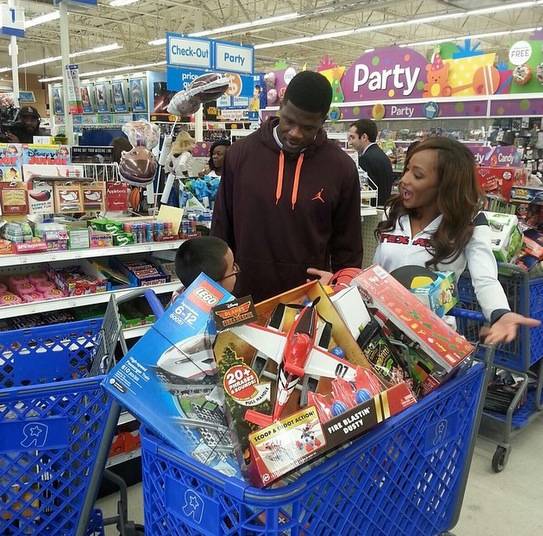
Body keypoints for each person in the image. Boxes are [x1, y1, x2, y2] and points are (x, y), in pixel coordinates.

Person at [309, 137, 539, 345]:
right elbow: (377, 278)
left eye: (417, 175)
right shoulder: (395, 213)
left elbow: (485, 278)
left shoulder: (468, 224)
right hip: (379, 337)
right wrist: (343, 285)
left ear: (445, 185)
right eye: (407, 170)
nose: (404, 180)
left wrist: (501, 313)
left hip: (434, 346)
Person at [211, 70, 362, 302]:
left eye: (308, 127)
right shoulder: (241, 154)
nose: (295, 133)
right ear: (280, 106)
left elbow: (348, 250)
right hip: (243, 297)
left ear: (323, 122)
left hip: (308, 301)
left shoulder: (341, 168)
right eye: (289, 121)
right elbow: (221, 229)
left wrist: (341, 294)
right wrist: (216, 290)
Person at [170, 236, 239, 304]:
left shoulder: (179, 296)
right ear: (214, 285)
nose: (236, 270)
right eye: (233, 268)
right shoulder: (228, 309)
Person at [348, 119, 394, 206]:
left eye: (353, 137)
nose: (350, 142)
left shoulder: (365, 159)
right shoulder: (382, 155)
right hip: (383, 207)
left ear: (364, 137)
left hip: (372, 210)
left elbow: (366, 194)